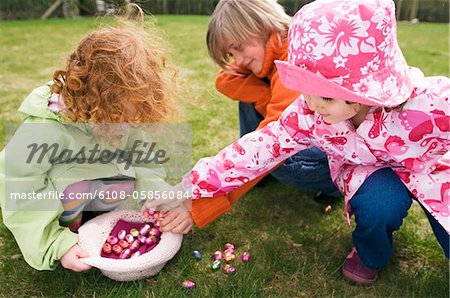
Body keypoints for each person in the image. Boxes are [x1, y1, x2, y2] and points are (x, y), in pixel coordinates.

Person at [155, 0, 449, 285]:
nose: (310, 105)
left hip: (433, 170)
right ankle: (369, 254)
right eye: (304, 90)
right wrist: (188, 187)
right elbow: (255, 150)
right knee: (378, 207)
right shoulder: (309, 112)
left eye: (325, 96)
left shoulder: (430, 104)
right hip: (366, 170)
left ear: (365, 91)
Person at [0, 9, 177, 272]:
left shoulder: (119, 115)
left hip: (88, 190)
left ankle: (90, 218)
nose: (127, 124)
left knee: (125, 180)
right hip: (55, 199)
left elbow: (143, 161)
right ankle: (65, 230)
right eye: (120, 116)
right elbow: (21, 187)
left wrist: (158, 197)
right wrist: (57, 244)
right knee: (78, 189)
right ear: (93, 101)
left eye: (133, 116)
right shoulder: (45, 130)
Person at [181, 0, 340, 232]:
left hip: (334, 151)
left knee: (284, 162)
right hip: (294, 134)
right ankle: (259, 175)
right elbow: (224, 78)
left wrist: (202, 204)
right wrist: (263, 95)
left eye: (240, 47)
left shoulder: (292, 60)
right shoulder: (268, 52)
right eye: (230, 53)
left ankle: (337, 186)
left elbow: (272, 147)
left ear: (262, 25)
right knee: (250, 87)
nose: (238, 60)